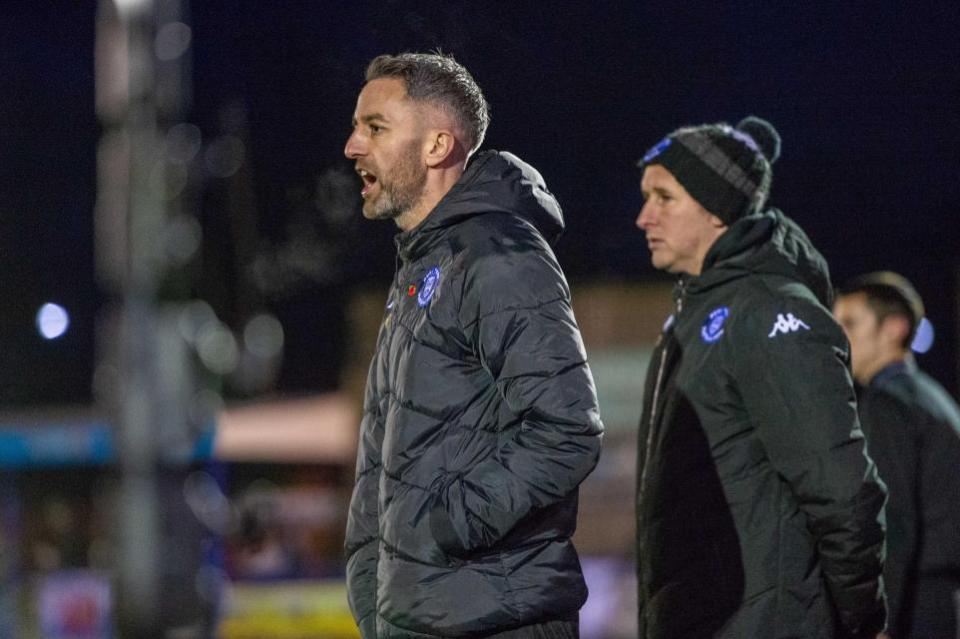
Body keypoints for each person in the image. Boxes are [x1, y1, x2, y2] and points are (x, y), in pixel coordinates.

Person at [342, 53, 603, 639]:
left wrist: (438, 529)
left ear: (437, 146)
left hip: (492, 619)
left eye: (375, 128)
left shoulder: (498, 255)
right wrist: (370, 573)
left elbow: (566, 431)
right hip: (420, 617)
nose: (353, 146)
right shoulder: (422, 266)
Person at [633, 116, 887, 639]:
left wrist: (861, 619)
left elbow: (842, 492)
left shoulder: (771, 313)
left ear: (717, 209)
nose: (643, 217)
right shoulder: (692, 317)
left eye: (664, 198)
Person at [834, 272, 960, 639]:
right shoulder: (928, 395)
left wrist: (882, 620)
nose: (842, 336)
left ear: (894, 328)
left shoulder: (889, 403)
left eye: (851, 323)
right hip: (941, 596)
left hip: (917, 598)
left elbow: (894, 517)